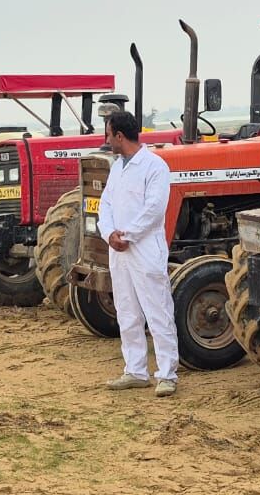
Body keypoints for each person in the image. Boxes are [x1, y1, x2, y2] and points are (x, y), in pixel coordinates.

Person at [96, 110, 178, 397]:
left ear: (119, 136)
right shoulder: (117, 167)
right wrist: (109, 234)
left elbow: (154, 210)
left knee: (157, 310)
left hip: (144, 249)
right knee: (127, 311)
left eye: (108, 134)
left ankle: (167, 374)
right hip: (118, 250)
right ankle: (135, 370)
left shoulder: (155, 166)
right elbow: (104, 205)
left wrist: (127, 235)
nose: (106, 139)